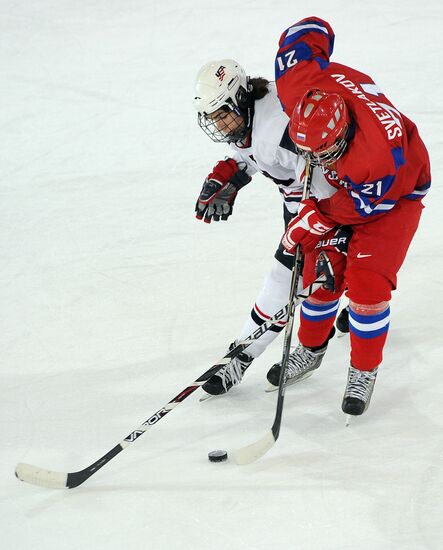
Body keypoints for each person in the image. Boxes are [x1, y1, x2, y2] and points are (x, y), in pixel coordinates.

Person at [266, 16, 431, 416]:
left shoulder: (379, 158)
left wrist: (317, 216)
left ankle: (364, 369)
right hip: (350, 185)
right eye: (311, 152)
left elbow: (363, 206)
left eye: (325, 152)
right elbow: (306, 32)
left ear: (342, 134)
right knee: (319, 272)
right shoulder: (297, 85)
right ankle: (311, 347)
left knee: (366, 285)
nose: (316, 160)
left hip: (395, 195)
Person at [193, 59, 345, 397]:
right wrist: (229, 172)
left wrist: (320, 226)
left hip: (327, 203)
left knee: (288, 276)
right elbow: (253, 153)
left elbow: (324, 179)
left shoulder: (275, 128)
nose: (219, 123)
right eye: (213, 117)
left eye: (223, 114)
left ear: (239, 99)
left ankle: (242, 355)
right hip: (301, 202)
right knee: (308, 276)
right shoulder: (248, 116)